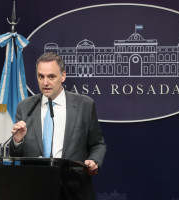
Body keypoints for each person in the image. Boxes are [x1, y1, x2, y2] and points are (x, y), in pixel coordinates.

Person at [9, 52, 106, 200]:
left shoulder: (84, 105)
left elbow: (97, 144)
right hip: (34, 190)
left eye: (51, 76)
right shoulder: (25, 107)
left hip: (74, 190)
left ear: (63, 76)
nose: (45, 82)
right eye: (41, 76)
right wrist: (17, 141)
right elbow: (15, 156)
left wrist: (94, 162)